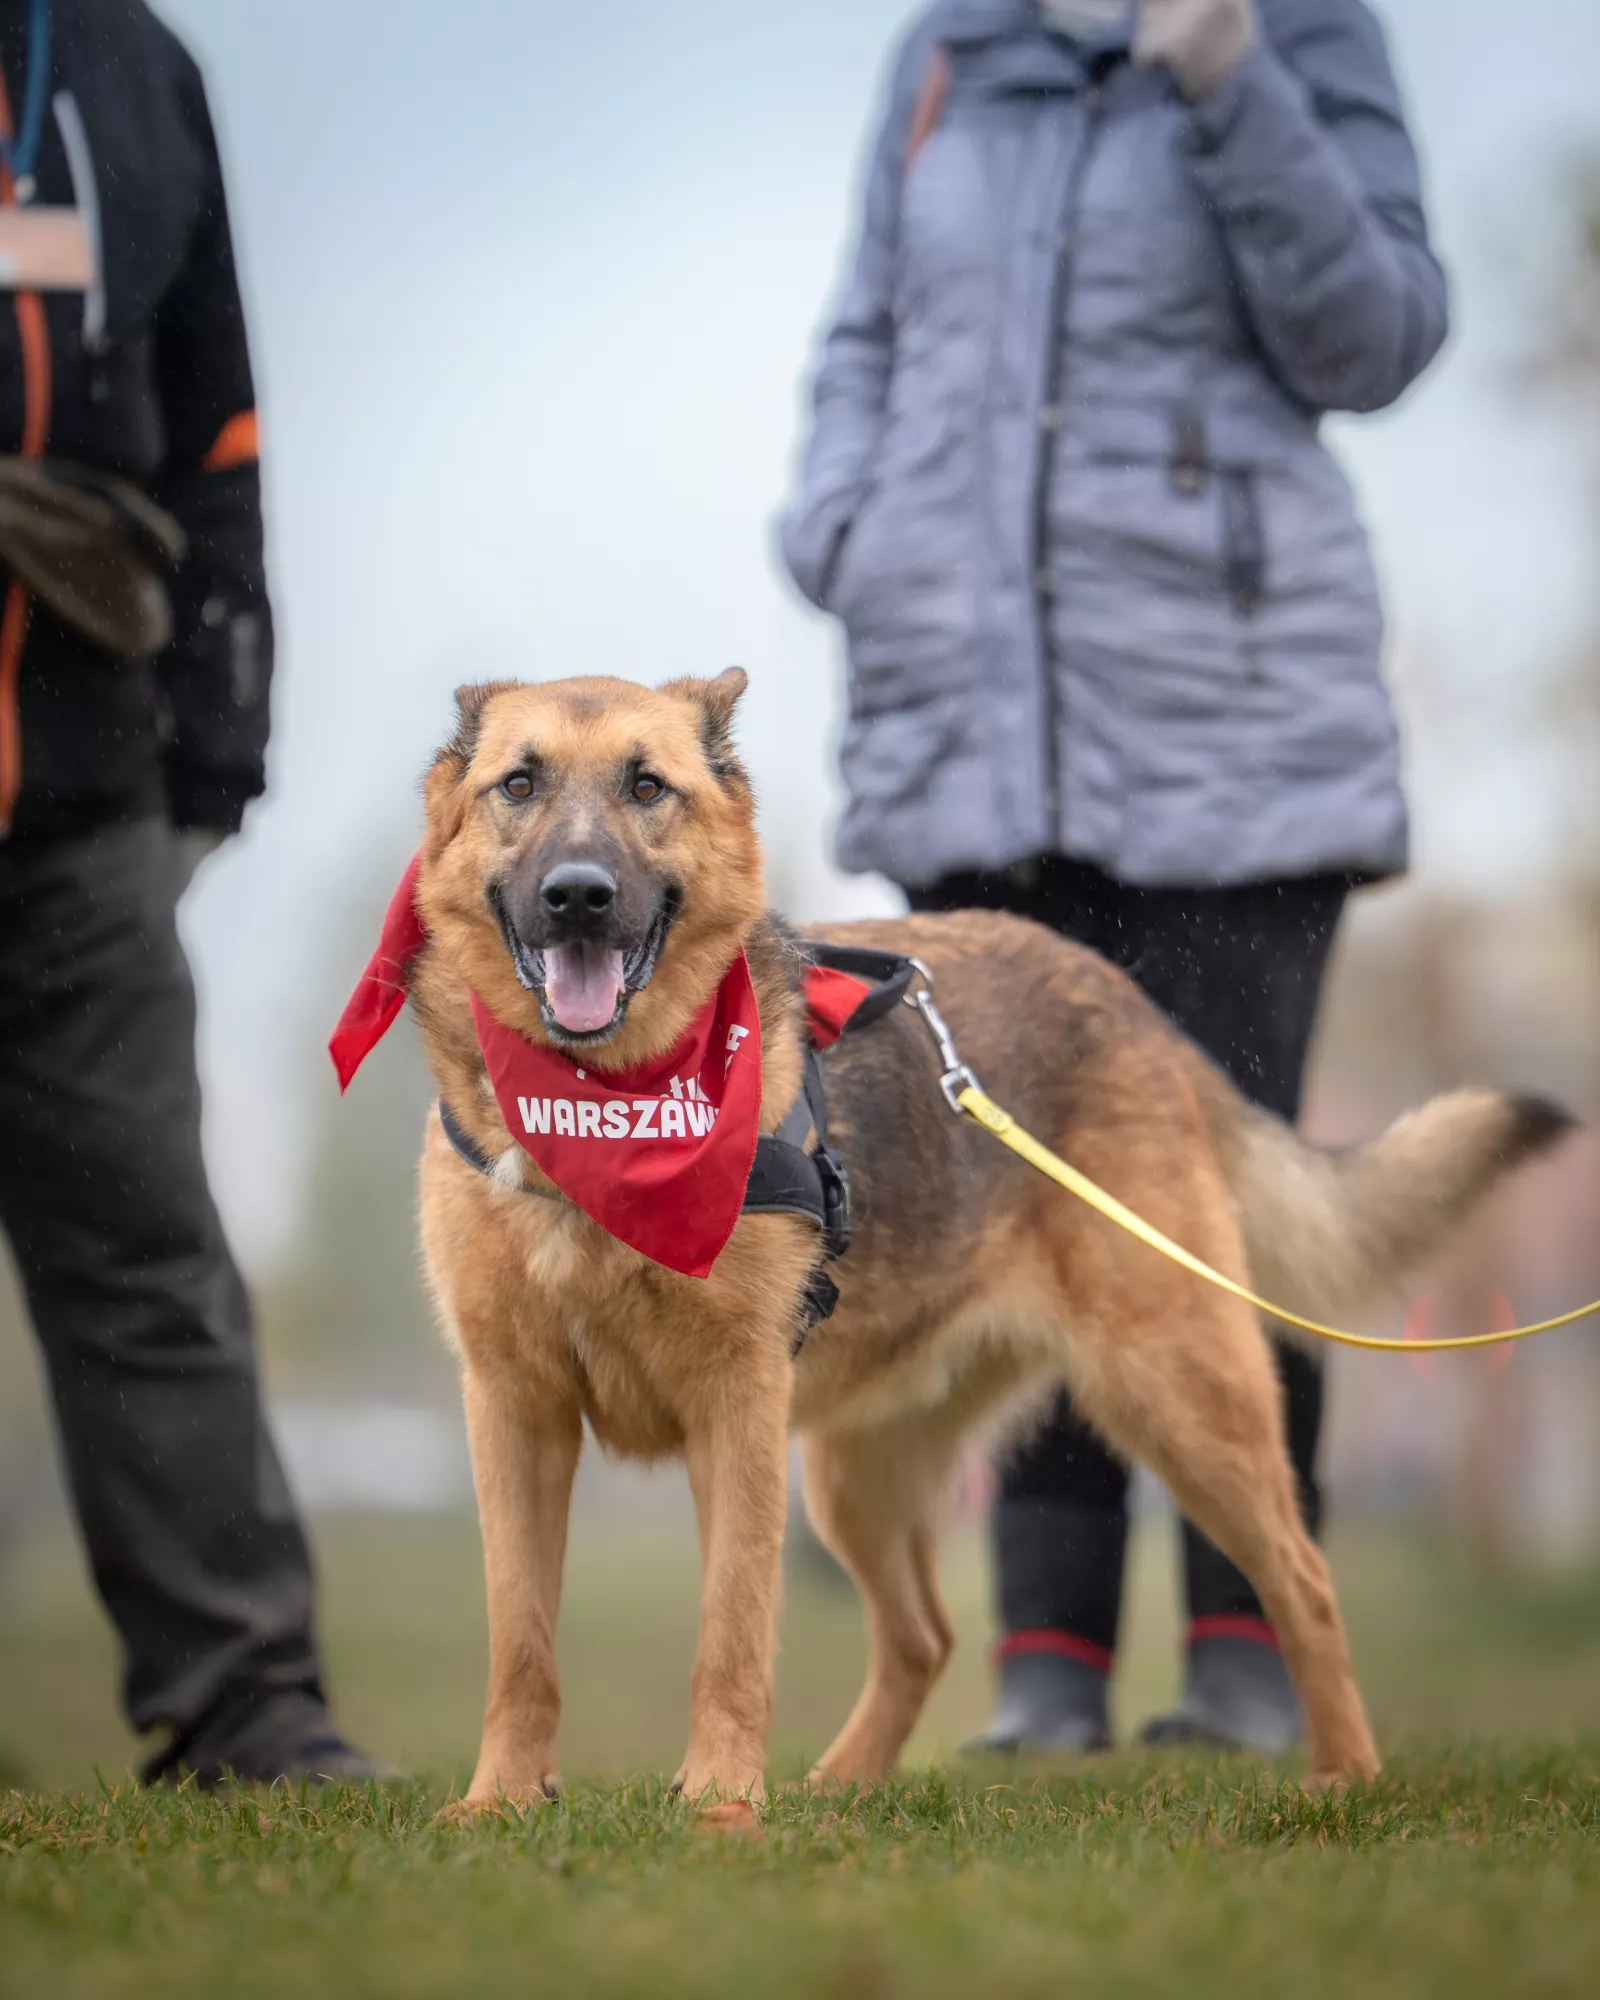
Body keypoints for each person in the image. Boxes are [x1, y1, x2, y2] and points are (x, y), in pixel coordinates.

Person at [780, 0, 1446, 1752]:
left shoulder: (1295, 30)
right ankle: (1047, 1675)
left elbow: (1373, 333)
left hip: (1235, 737)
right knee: (999, 1205)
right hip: (963, 730)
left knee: (1198, 1218)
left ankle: (1247, 1658)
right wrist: (846, 524)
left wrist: (1222, 67)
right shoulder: (943, 47)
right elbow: (864, 332)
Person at [0, 0, 373, 1784]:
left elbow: (219, 436)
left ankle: (243, 1704)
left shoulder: (135, 71)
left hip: (84, 800)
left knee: (150, 1255)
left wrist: (219, 751)